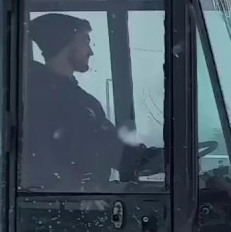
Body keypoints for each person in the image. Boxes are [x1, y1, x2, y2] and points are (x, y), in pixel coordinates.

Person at [22, 13, 162, 191]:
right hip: (71, 206)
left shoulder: (79, 100)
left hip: (89, 199)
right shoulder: (38, 99)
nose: (90, 51)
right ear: (65, 42)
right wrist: (81, 187)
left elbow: (113, 149)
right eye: (85, 41)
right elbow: (44, 164)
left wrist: (156, 159)